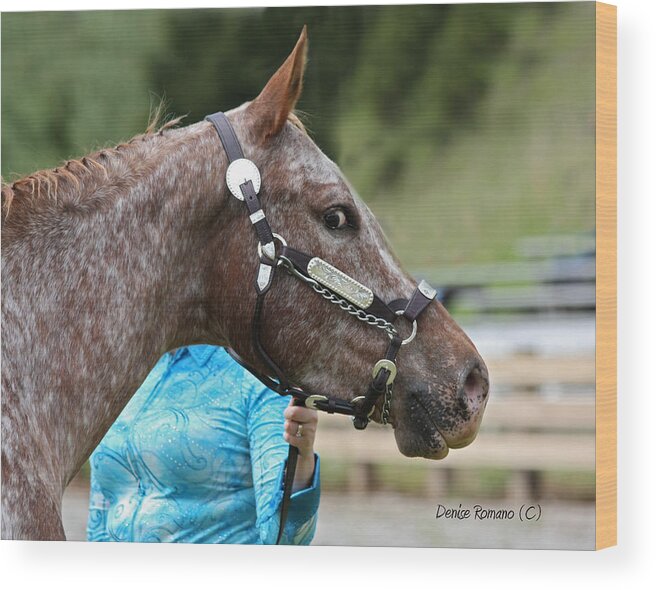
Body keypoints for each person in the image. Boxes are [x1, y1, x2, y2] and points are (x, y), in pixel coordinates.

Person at [86, 345, 320, 544]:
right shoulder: (121, 366)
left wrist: (301, 457)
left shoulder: (258, 377)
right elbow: (101, 508)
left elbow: (283, 536)